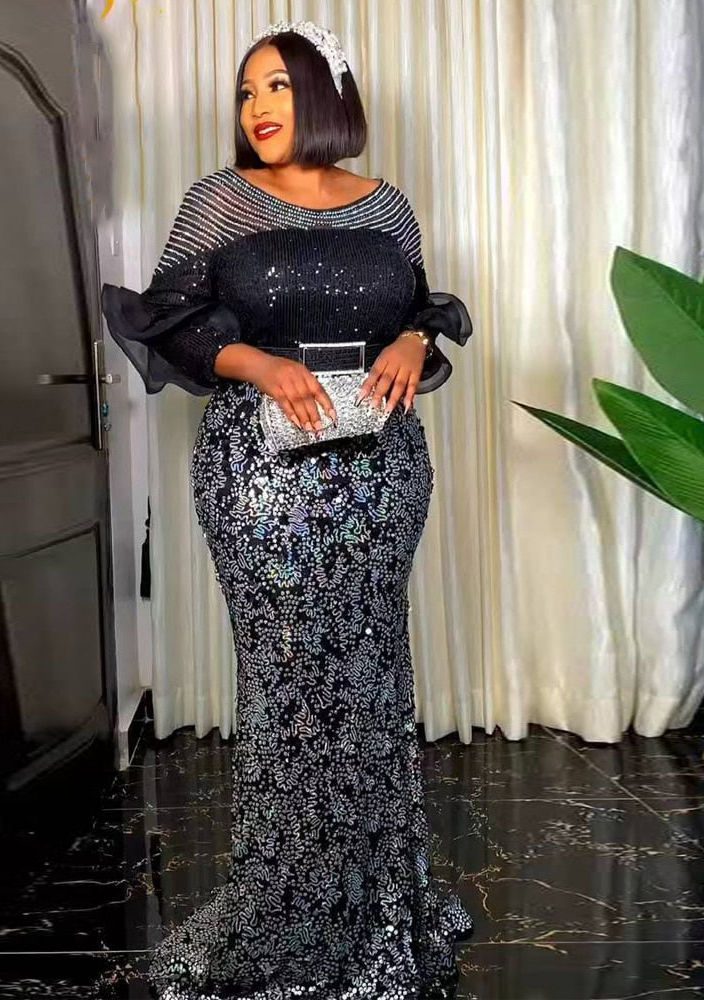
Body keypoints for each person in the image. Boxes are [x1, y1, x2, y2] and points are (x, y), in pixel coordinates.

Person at [102, 19, 474, 1000]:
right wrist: (259, 363)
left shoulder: (386, 205)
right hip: (260, 469)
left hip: (383, 465)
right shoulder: (219, 200)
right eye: (247, 91)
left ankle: (378, 900)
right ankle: (288, 912)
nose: (258, 106)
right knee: (288, 681)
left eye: (277, 85)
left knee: (373, 673)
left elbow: (418, 310)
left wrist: (412, 341)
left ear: (327, 95)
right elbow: (167, 318)